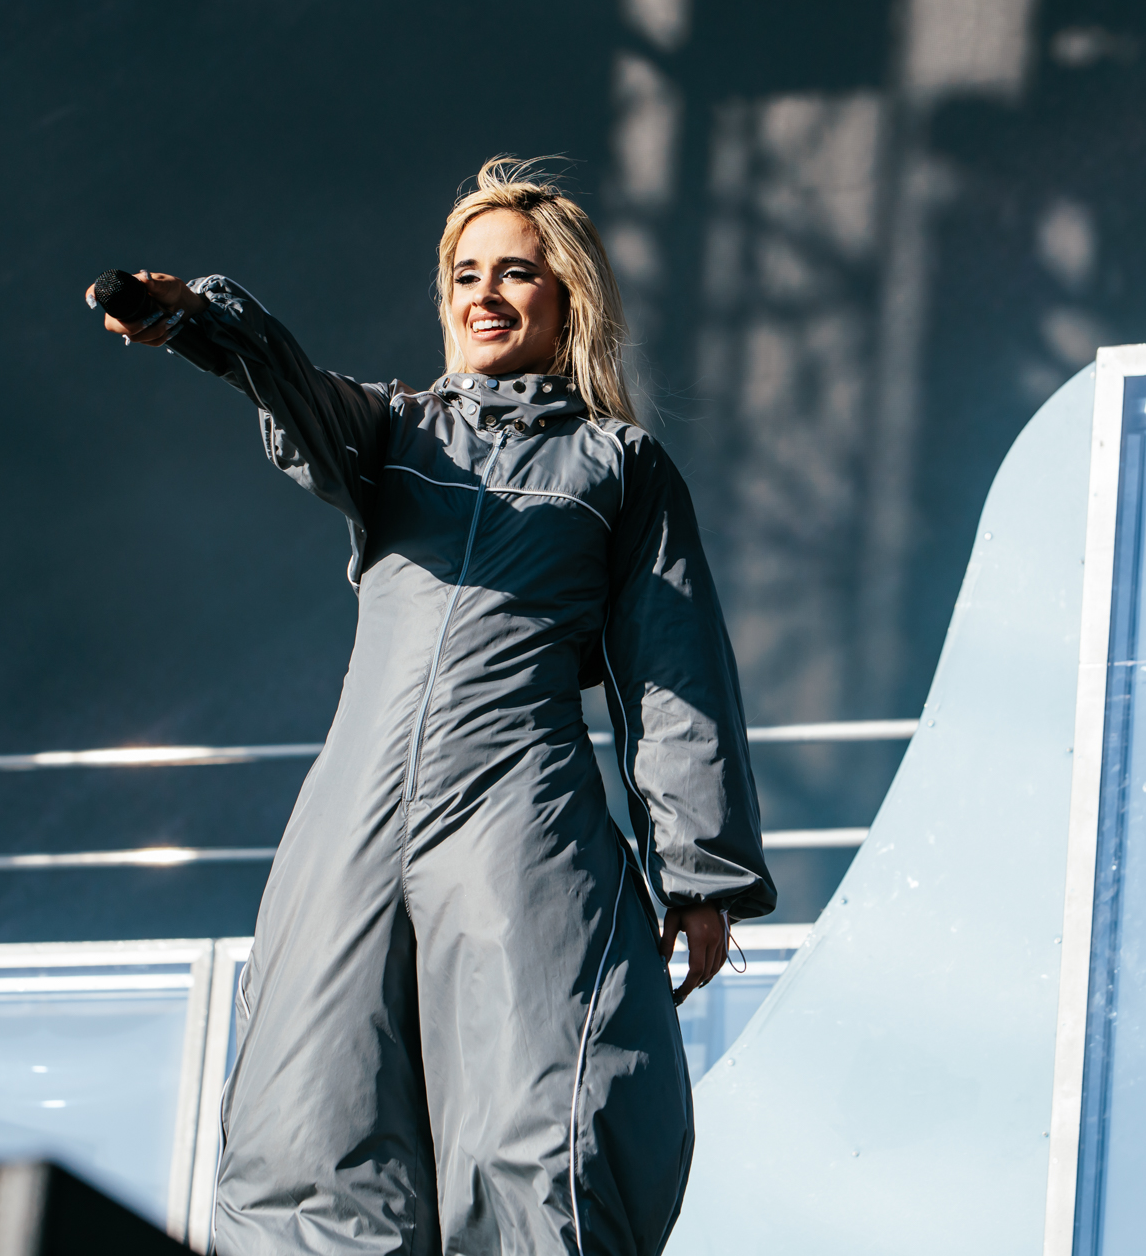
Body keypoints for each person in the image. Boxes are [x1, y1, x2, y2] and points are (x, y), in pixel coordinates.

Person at [94, 157, 774, 1255]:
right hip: (353, 814)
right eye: (465, 273)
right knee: (311, 1118)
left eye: (515, 272)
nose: (484, 294)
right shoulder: (395, 434)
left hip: (515, 809)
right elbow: (297, 391)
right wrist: (202, 323)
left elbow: (672, 667)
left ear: (567, 300)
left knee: (538, 1116)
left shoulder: (618, 466)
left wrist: (702, 875)